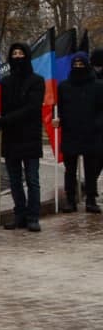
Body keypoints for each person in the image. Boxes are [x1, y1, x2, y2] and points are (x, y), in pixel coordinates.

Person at [0, 43, 46, 231]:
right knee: (14, 180)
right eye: (14, 53)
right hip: (11, 137)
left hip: (29, 135)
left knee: (32, 179)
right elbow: (0, 107)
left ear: (27, 56)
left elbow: (31, 108)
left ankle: (33, 216)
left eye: (21, 53)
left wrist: (2, 121)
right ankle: (19, 214)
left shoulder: (37, 80)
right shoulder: (4, 82)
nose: (17, 56)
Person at [52, 52, 103, 214]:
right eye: (76, 65)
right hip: (70, 132)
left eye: (82, 65)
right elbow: (60, 107)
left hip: (91, 133)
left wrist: (96, 125)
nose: (79, 67)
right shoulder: (64, 86)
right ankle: (70, 199)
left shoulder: (98, 86)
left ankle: (91, 199)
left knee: (91, 168)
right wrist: (58, 119)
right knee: (70, 169)